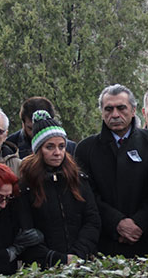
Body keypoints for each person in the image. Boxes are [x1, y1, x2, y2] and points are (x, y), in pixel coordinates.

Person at [76, 85, 148, 257]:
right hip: (105, 245)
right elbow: (86, 196)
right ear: (102, 112)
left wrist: (140, 223)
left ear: (133, 110)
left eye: (121, 108)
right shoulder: (86, 149)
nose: (115, 114)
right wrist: (116, 223)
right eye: (109, 109)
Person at [18, 111, 100, 267]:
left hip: (82, 262)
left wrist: (77, 254)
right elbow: (26, 232)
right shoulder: (26, 186)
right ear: (38, 149)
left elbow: (92, 220)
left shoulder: (78, 179)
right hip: (44, 267)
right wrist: (56, 259)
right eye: (50, 147)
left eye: (61, 146)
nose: (57, 152)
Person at [8, 97, 76, 158]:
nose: (36, 134)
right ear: (23, 123)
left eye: (43, 129)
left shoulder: (71, 148)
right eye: (31, 129)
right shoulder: (9, 146)